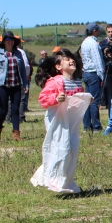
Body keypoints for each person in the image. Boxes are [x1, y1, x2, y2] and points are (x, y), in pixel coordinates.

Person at [32, 50, 90, 193]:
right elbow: (43, 99)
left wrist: (86, 99)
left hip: (70, 121)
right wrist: (56, 99)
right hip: (57, 119)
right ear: (58, 66)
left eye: (73, 59)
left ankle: (66, 181)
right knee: (61, 148)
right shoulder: (55, 82)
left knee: (71, 149)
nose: (72, 61)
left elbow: (77, 99)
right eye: (67, 59)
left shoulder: (77, 83)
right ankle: (54, 180)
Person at [0, 32, 29, 141]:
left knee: (15, 110)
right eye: (7, 39)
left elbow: (22, 71)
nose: (10, 41)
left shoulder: (18, 53)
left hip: (16, 85)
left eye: (12, 39)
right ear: (3, 41)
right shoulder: (0, 53)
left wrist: (25, 84)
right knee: (3, 110)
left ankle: (16, 134)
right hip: (3, 85)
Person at [80, 22, 105, 132]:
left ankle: (86, 125)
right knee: (94, 101)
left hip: (86, 73)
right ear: (94, 30)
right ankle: (96, 126)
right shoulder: (93, 44)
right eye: (98, 30)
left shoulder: (85, 42)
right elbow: (98, 61)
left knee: (87, 100)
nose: (99, 31)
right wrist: (102, 76)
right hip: (94, 74)